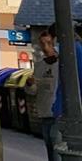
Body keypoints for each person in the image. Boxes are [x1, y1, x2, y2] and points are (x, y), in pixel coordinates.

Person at [38, 27, 61, 161]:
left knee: (56, 148)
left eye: (49, 43)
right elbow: (34, 90)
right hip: (45, 112)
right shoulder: (39, 65)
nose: (46, 47)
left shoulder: (62, 63)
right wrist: (30, 85)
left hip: (58, 113)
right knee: (50, 149)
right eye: (43, 44)